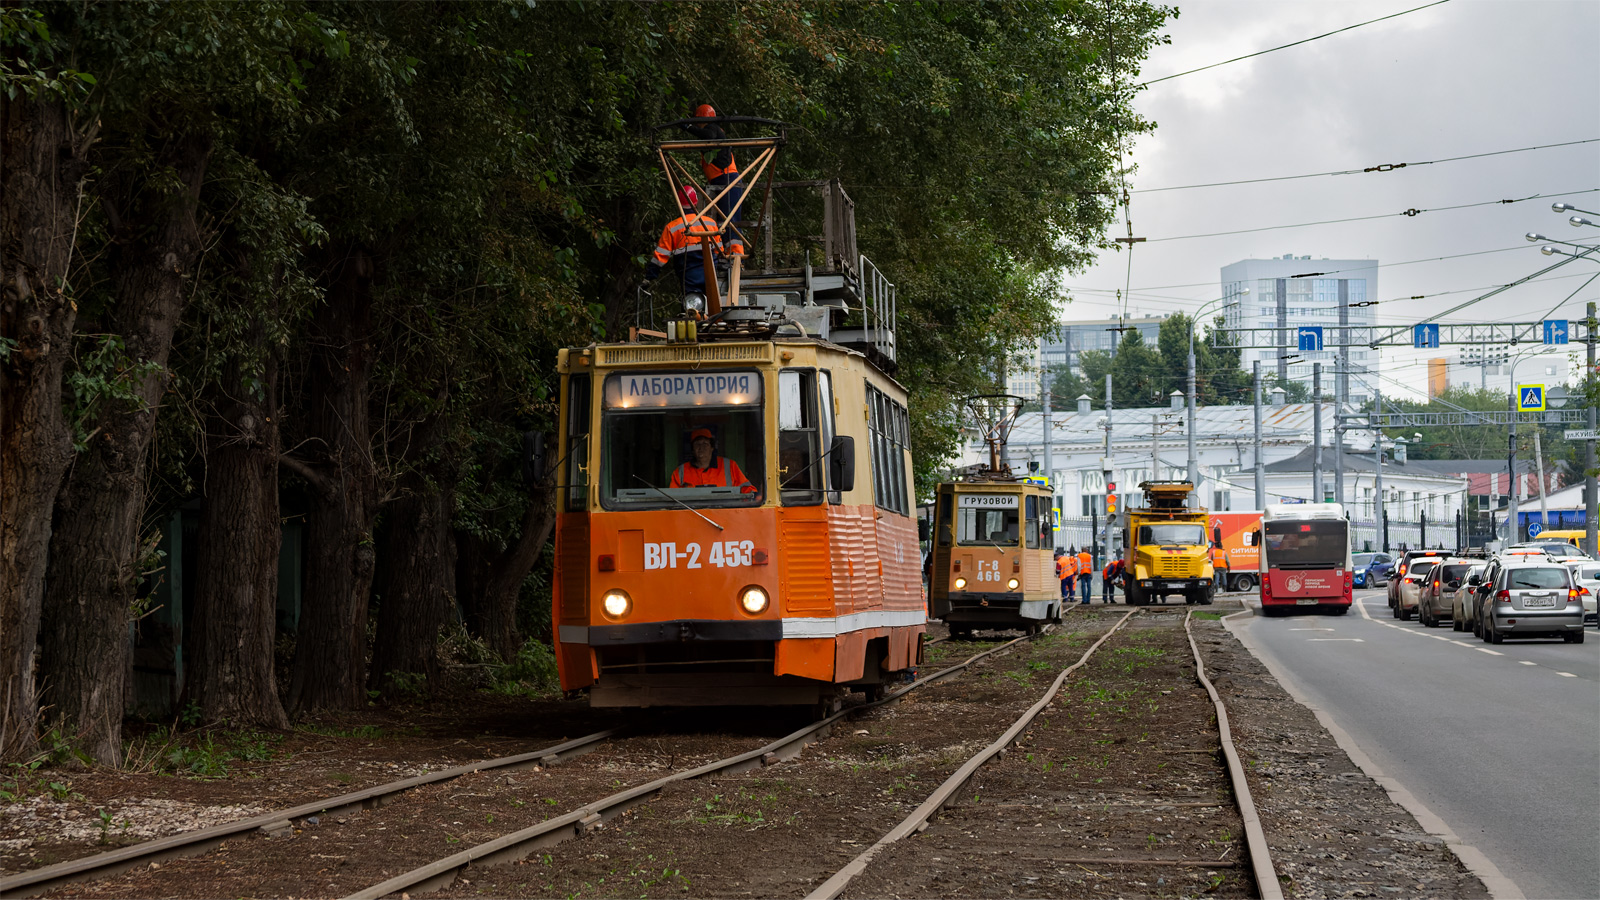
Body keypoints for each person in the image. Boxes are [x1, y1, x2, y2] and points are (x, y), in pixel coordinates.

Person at [646, 186, 741, 294]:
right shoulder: (710, 223)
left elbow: (660, 257)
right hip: (710, 275)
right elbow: (718, 251)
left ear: (678, 204)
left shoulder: (672, 227)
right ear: (696, 202)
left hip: (688, 277)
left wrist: (649, 277)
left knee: (690, 308)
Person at [680, 104, 746, 236]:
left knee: (729, 220)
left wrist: (688, 127)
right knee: (722, 220)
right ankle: (726, 251)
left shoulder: (712, 129)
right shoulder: (715, 133)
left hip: (728, 179)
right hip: (722, 180)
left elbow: (707, 134)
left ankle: (734, 252)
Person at [670, 427, 756, 493]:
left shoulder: (730, 466)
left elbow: (747, 490)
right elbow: (672, 498)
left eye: (705, 444)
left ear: (712, 448)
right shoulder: (680, 472)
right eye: (697, 444)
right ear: (692, 449)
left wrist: (754, 497)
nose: (701, 448)